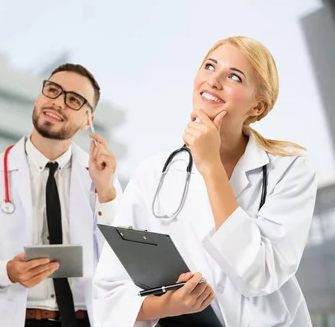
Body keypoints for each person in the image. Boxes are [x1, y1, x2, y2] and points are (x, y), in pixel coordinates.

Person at [93, 36, 317, 327]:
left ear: (258, 106)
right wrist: (168, 305)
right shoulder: (152, 175)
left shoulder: (289, 168)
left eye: (233, 76)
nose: (213, 81)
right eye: (209, 67)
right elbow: (109, 290)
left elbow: (260, 275)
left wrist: (210, 165)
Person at [0, 63, 123, 327]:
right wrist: (6, 272)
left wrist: (106, 192)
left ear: (88, 120)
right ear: (39, 96)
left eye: (73, 99)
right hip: (18, 319)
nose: (57, 103)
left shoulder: (102, 176)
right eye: (52, 90)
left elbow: (120, 260)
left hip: (84, 319)